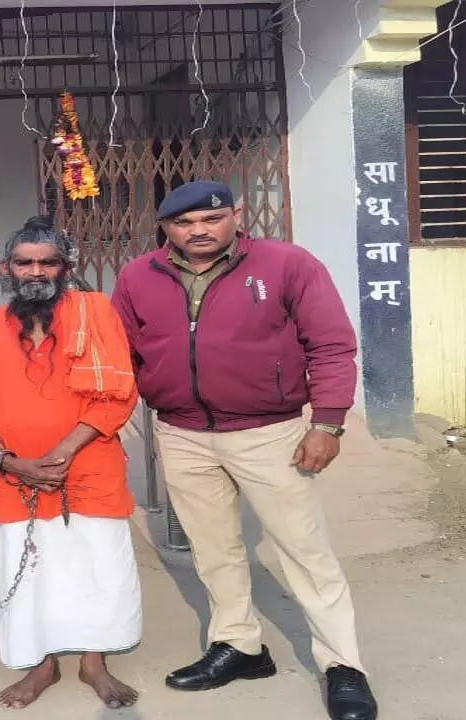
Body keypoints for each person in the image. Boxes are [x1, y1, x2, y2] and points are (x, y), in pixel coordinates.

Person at [111, 181, 379, 720]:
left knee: (304, 551)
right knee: (213, 550)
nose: (198, 231)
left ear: (236, 215)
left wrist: (328, 423)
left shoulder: (286, 264)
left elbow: (330, 344)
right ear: (165, 228)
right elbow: (121, 350)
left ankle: (343, 665)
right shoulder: (139, 275)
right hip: (182, 433)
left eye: (211, 219)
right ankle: (239, 645)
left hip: (269, 433)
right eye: (184, 223)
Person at [0, 217, 143, 711]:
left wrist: (62, 452)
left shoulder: (95, 313)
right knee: (29, 571)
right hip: (11, 473)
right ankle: (41, 665)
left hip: (90, 464)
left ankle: (94, 662)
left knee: (99, 565)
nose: (36, 271)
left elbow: (118, 392)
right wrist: (9, 461)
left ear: (65, 268)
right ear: (6, 268)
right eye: (25, 262)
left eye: (47, 262)